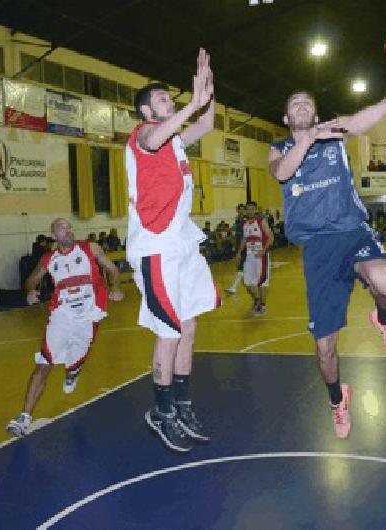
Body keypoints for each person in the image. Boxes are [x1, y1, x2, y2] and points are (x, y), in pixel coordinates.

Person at [267, 37, 386, 439]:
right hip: (318, 249)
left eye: (308, 102)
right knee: (325, 348)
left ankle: (383, 319)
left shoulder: (335, 132)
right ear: (286, 117)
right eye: (295, 104)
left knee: (385, 281)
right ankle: (336, 399)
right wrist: (305, 141)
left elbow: (380, 109)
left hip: (352, 231)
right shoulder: (279, 148)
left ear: (316, 112)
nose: (303, 106)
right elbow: (282, 173)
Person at [126, 49, 220, 453]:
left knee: (190, 327)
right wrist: (194, 103)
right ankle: (161, 412)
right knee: (168, 332)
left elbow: (209, 123)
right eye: (164, 100)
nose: (172, 103)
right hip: (156, 246)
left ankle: (181, 404)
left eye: (172, 99)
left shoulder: (176, 142)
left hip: (183, 243)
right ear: (147, 109)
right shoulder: (143, 136)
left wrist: (209, 90)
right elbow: (155, 136)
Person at [6, 218, 124, 438]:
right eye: (62, 228)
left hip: (88, 316)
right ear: (54, 236)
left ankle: (73, 371)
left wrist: (114, 287)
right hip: (62, 316)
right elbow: (31, 280)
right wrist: (30, 291)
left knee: (76, 360)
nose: (68, 229)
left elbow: (112, 270)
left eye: (69, 226)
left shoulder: (90, 248)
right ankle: (24, 418)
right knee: (44, 362)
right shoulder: (49, 259)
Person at [238, 200, 274, 315]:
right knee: (247, 282)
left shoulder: (261, 221)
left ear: (255, 209)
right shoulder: (245, 223)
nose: (249, 210)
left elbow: (271, 236)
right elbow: (244, 238)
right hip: (249, 255)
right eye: (247, 209)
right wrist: (239, 252)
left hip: (261, 256)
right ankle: (257, 301)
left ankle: (262, 305)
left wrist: (263, 250)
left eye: (252, 208)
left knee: (263, 282)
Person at [226, 204, 248, 293]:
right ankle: (245, 283)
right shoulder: (237, 219)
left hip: (245, 245)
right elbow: (236, 231)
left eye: (243, 209)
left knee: (241, 265)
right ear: (237, 210)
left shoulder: (246, 220)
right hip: (238, 244)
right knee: (240, 265)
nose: (241, 211)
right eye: (240, 209)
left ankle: (234, 287)